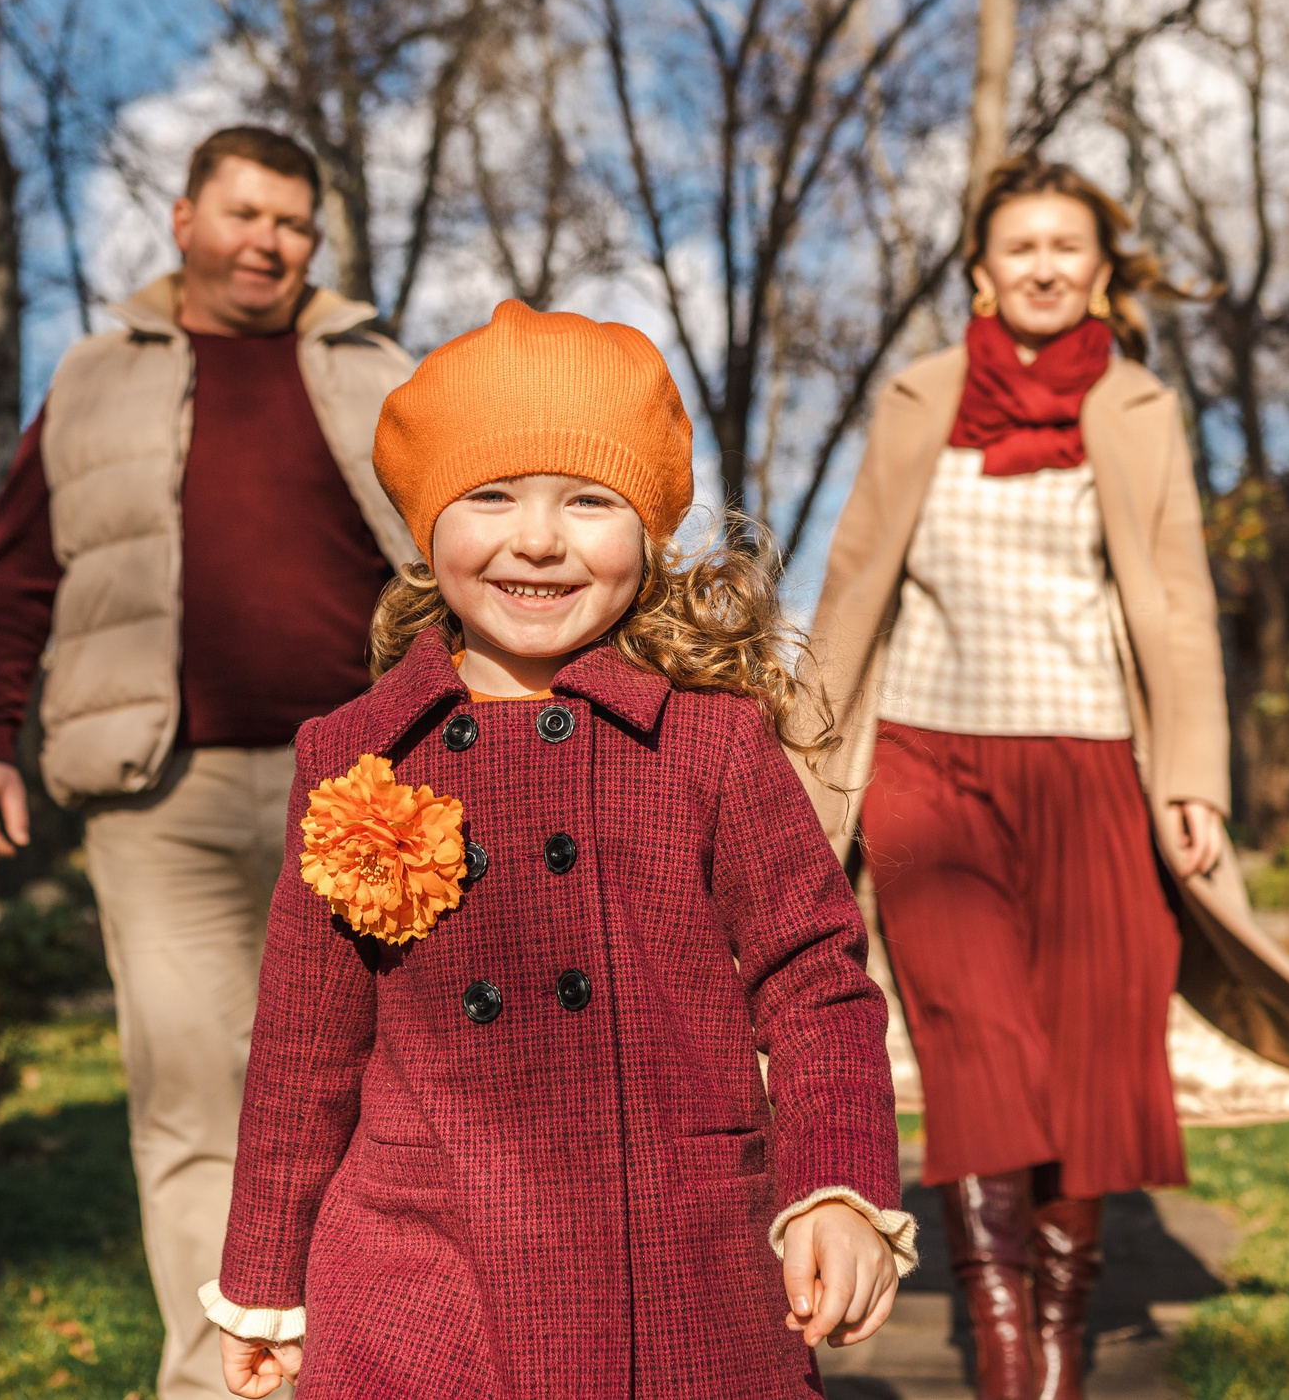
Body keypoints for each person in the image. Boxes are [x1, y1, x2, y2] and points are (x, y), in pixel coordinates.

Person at [204, 302, 915, 1399]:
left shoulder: (707, 740)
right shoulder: (349, 754)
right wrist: (265, 1278)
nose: (538, 538)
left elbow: (815, 980)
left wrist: (835, 1187)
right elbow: (304, 1051)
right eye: (489, 495)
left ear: (649, 536)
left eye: (589, 501)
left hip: (680, 1255)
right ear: (426, 524)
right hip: (417, 1268)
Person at [799, 158, 1289, 1400]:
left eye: (1063, 246)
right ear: (980, 269)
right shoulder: (917, 397)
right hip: (929, 760)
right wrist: (810, 768)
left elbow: (1182, 605)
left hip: (1096, 767)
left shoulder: (1137, 407)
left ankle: (1058, 1351)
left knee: (1088, 1063)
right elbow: (854, 579)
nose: (1040, 264)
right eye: (1016, 245)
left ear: (1096, 270)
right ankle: (1005, 1346)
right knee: (978, 1045)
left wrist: (1192, 775)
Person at [0, 125, 417, 1400]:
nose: (267, 241)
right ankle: (221, 1386)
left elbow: (466, 560)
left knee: (386, 1095)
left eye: (293, 222)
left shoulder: (382, 372)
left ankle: (372, 1363)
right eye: (244, 213)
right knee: (200, 1105)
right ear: (183, 219)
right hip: (162, 793)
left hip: (374, 793)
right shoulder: (95, 377)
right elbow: (11, 578)